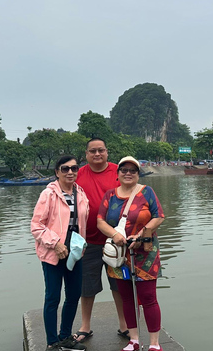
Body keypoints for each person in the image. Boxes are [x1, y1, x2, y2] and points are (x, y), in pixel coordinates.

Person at [97, 156, 165, 351]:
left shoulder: (147, 192)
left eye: (132, 170)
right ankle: (133, 339)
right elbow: (100, 221)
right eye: (124, 170)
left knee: (149, 297)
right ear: (117, 173)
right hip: (119, 254)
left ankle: (154, 343)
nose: (128, 173)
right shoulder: (110, 195)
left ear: (138, 173)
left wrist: (141, 235)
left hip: (145, 252)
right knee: (127, 297)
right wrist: (115, 235)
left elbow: (158, 216)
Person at [31, 155, 90, 350]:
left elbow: (82, 223)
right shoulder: (48, 194)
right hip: (53, 253)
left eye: (74, 168)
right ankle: (52, 342)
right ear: (57, 172)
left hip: (74, 253)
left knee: (73, 295)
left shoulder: (80, 194)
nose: (70, 172)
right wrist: (55, 243)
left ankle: (65, 337)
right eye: (65, 169)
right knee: (53, 297)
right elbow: (36, 225)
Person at [74, 138, 128, 343]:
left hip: (116, 241)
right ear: (86, 154)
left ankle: (124, 324)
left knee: (119, 284)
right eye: (93, 151)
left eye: (101, 150)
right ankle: (85, 326)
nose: (97, 154)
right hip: (87, 241)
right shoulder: (77, 174)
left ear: (107, 152)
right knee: (86, 286)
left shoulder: (119, 172)